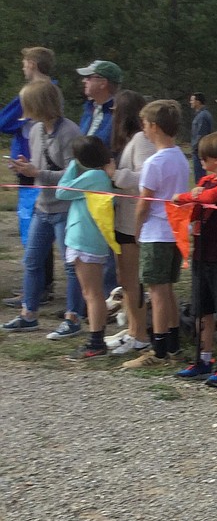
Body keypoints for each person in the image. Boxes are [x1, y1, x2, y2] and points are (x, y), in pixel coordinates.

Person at [2, 80, 83, 336]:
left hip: (64, 208)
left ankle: (73, 317)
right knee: (31, 261)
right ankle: (29, 314)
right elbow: (40, 167)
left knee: (70, 265)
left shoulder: (70, 132)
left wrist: (38, 172)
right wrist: (24, 166)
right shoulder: (36, 130)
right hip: (43, 206)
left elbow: (74, 175)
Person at [121, 99, 191, 369]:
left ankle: (159, 349)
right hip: (174, 230)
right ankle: (172, 344)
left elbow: (144, 201)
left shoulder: (155, 161)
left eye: (146, 125)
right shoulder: (180, 158)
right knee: (167, 290)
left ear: (154, 127)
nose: (144, 131)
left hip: (157, 230)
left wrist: (136, 229)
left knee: (157, 292)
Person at [171, 131, 217, 387]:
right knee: (203, 310)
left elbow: (209, 198)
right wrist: (191, 197)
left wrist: (187, 196)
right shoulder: (206, 179)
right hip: (201, 252)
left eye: (205, 157)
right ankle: (203, 358)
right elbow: (195, 206)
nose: (201, 161)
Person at [1, 48, 58, 310]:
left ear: (33, 64)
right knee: (35, 224)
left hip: (33, 167)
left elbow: (4, 121)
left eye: (24, 62)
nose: (22, 67)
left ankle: (39, 287)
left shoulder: (37, 92)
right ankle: (39, 284)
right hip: (29, 164)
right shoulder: (48, 89)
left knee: (35, 225)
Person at [53, 136, 116, 359]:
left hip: (86, 240)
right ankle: (95, 339)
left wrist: (72, 165)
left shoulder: (94, 176)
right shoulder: (96, 176)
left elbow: (61, 192)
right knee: (90, 292)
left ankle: (96, 341)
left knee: (92, 294)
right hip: (84, 238)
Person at [106, 90, 154, 355]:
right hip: (123, 219)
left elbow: (145, 178)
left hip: (134, 220)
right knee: (125, 279)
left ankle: (140, 333)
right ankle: (132, 329)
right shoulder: (130, 141)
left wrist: (117, 174)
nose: (112, 114)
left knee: (133, 279)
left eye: (116, 110)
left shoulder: (140, 140)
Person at [77, 59, 122, 144]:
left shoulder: (118, 113)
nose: (84, 81)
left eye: (88, 77)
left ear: (103, 83)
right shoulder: (89, 109)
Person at [189, 92, 214, 181]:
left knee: (200, 178)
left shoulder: (202, 116)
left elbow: (201, 134)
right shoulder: (201, 115)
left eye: (192, 100)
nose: (190, 102)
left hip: (199, 151)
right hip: (199, 150)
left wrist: (195, 148)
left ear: (198, 102)